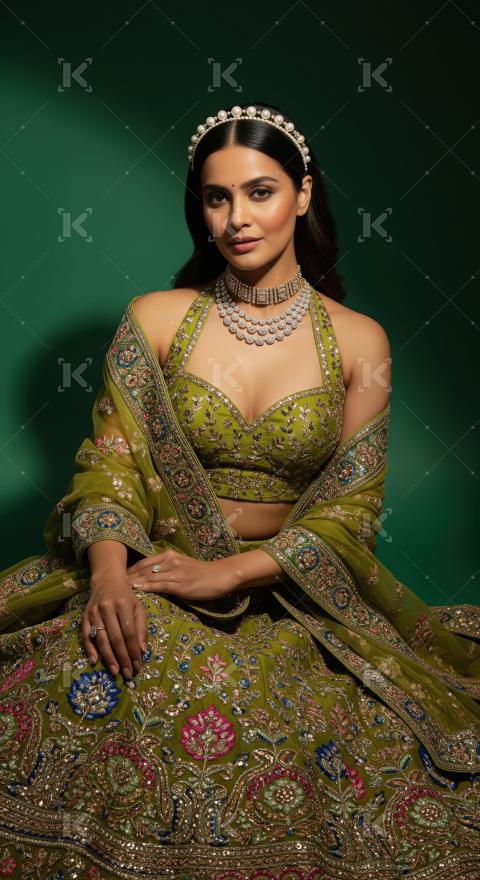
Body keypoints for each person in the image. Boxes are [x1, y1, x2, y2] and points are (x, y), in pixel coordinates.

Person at [0, 101, 478, 880]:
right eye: (216, 198)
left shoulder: (361, 343)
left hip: (282, 590)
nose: (236, 218)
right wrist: (111, 576)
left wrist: (225, 573)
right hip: (150, 564)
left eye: (259, 192)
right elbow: (110, 463)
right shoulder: (156, 319)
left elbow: (348, 514)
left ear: (303, 193)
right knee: (113, 663)